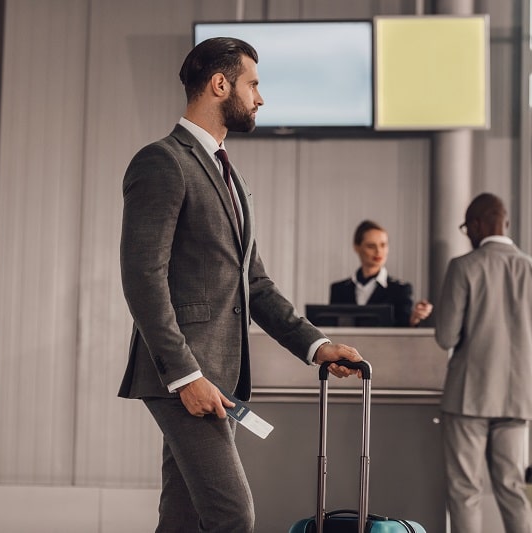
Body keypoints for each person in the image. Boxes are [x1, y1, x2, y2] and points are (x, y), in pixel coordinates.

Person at [118, 37, 363, 533]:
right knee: (233, 516)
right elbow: (143, 276)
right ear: (220, 84)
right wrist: (185, 376)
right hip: (185, 376)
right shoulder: (162, 162)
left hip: (220, 377)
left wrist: (317, 346)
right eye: (253, 84)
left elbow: (257, 284)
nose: (260, 97)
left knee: (183, 519)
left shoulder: (233, 179)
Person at [435, 193, 532, 533]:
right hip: (518, 397)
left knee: (465, 491)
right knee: (511, 487)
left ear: (476, 225)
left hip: (468, 396)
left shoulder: (463, 267)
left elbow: (445, 337)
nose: (467, 234)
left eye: (466, 227)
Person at [329, 220, 433, 327]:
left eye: (383, 245)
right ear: (357, 247)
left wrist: (414, 318)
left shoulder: (400, 289)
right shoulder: (339, 289)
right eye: (371, 246)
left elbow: (404, 329)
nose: (378, 251)